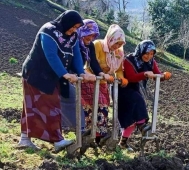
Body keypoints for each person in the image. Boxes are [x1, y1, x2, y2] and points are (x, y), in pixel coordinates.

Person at [18, 10, 96, 152]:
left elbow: (76, 55)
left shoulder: (73, 36)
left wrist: (81, 72)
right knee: (50, 105)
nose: (74, 30)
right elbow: (51, 55)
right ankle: (57, 140)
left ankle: (24, 139)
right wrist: (65, 74)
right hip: (35, 73)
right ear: (66, 22)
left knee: (31, 107)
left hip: (50, 75)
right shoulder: (48, 31)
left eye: (76, 28)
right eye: (72, 26)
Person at [117, 40, 172, 151]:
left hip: (137, 89)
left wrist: (164, 76)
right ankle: (142, 126)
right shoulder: (129, 60)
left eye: (152, 54)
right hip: (125, 89)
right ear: (141, 51)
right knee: (139, 102)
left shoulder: (152, 62)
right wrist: (145, 74)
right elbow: (131, 77)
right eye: (147, 53)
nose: (149, 56)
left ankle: (122, 143)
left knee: (132, 119)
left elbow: (157, 74)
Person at [82, 24, 128, 146]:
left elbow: (118, 70)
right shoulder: (98, 45)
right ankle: (87, 135)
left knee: (103, 108)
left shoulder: (118, 53)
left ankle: (98, 137)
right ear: (110, 38)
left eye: (120, 44)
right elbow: (93, 63)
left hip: (103, 83)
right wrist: (102, 75)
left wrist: (122, 78)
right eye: (116, 43)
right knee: (92, 108)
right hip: (90, 79)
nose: (117, 46)